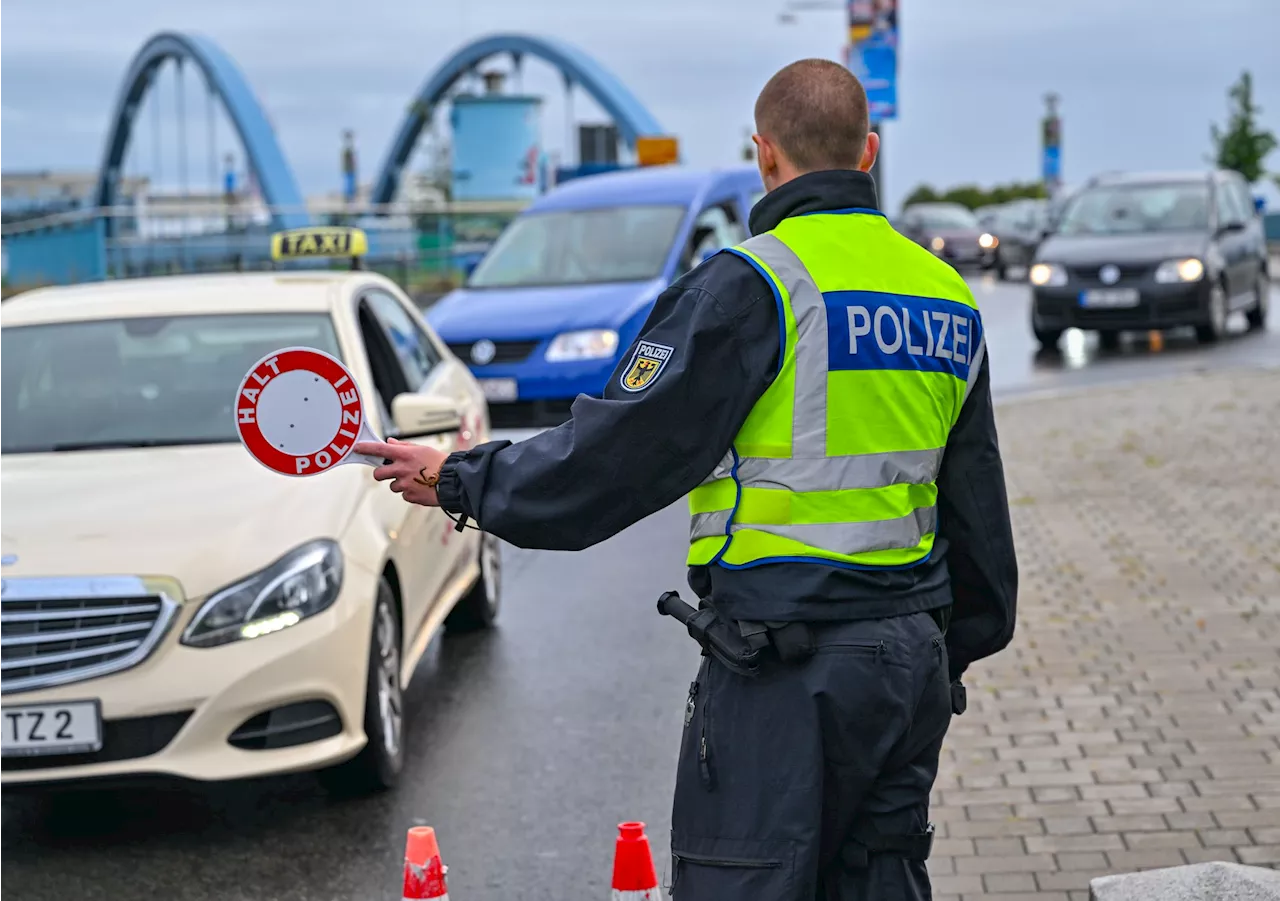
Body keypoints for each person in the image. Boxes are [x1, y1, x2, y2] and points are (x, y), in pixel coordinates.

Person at [355, 58, 1018, 901]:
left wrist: (463, 479)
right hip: (906, 661)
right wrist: (945, 647)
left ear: (764, 155)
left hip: (787, 668)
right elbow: (979, 510)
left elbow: (617, 456)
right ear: (869, 153)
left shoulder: (755, 285)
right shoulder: (944, 293)